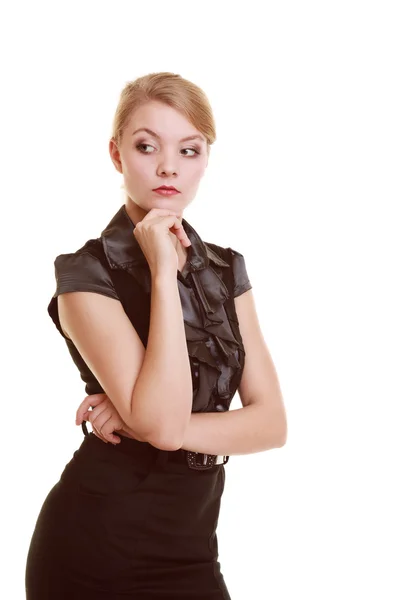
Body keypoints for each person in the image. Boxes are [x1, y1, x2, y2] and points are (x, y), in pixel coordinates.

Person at [25, 71, 287, 599]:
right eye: (147, 146)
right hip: (95, 547)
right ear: (117, 154)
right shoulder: (85, 273)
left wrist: (144, 423)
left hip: (192, 548)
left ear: (205, 159)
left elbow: (271, 424)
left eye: (189, 150)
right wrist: (163, 273)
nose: (169, 166)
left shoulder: (227, 269)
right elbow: (166, 430)